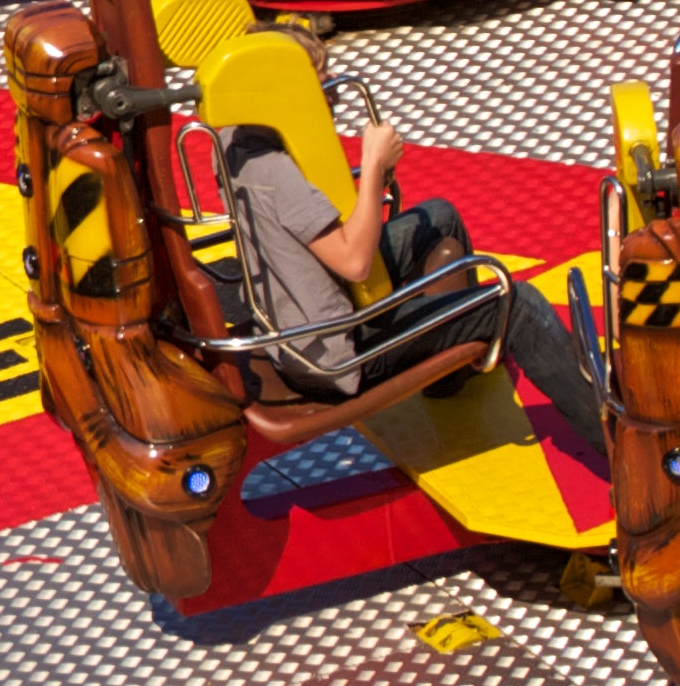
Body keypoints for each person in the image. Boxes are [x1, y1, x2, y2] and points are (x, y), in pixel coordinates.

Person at [215, 27, 604, 448]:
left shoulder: (231, 139)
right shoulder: (277, 174)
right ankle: (615, 441)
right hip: (336, 358)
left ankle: (453, 370)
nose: (333, 90)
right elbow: (354, 262)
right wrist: (373, 165)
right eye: (318, 85)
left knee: (440, 217)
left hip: (301, 320)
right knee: (519, 302)